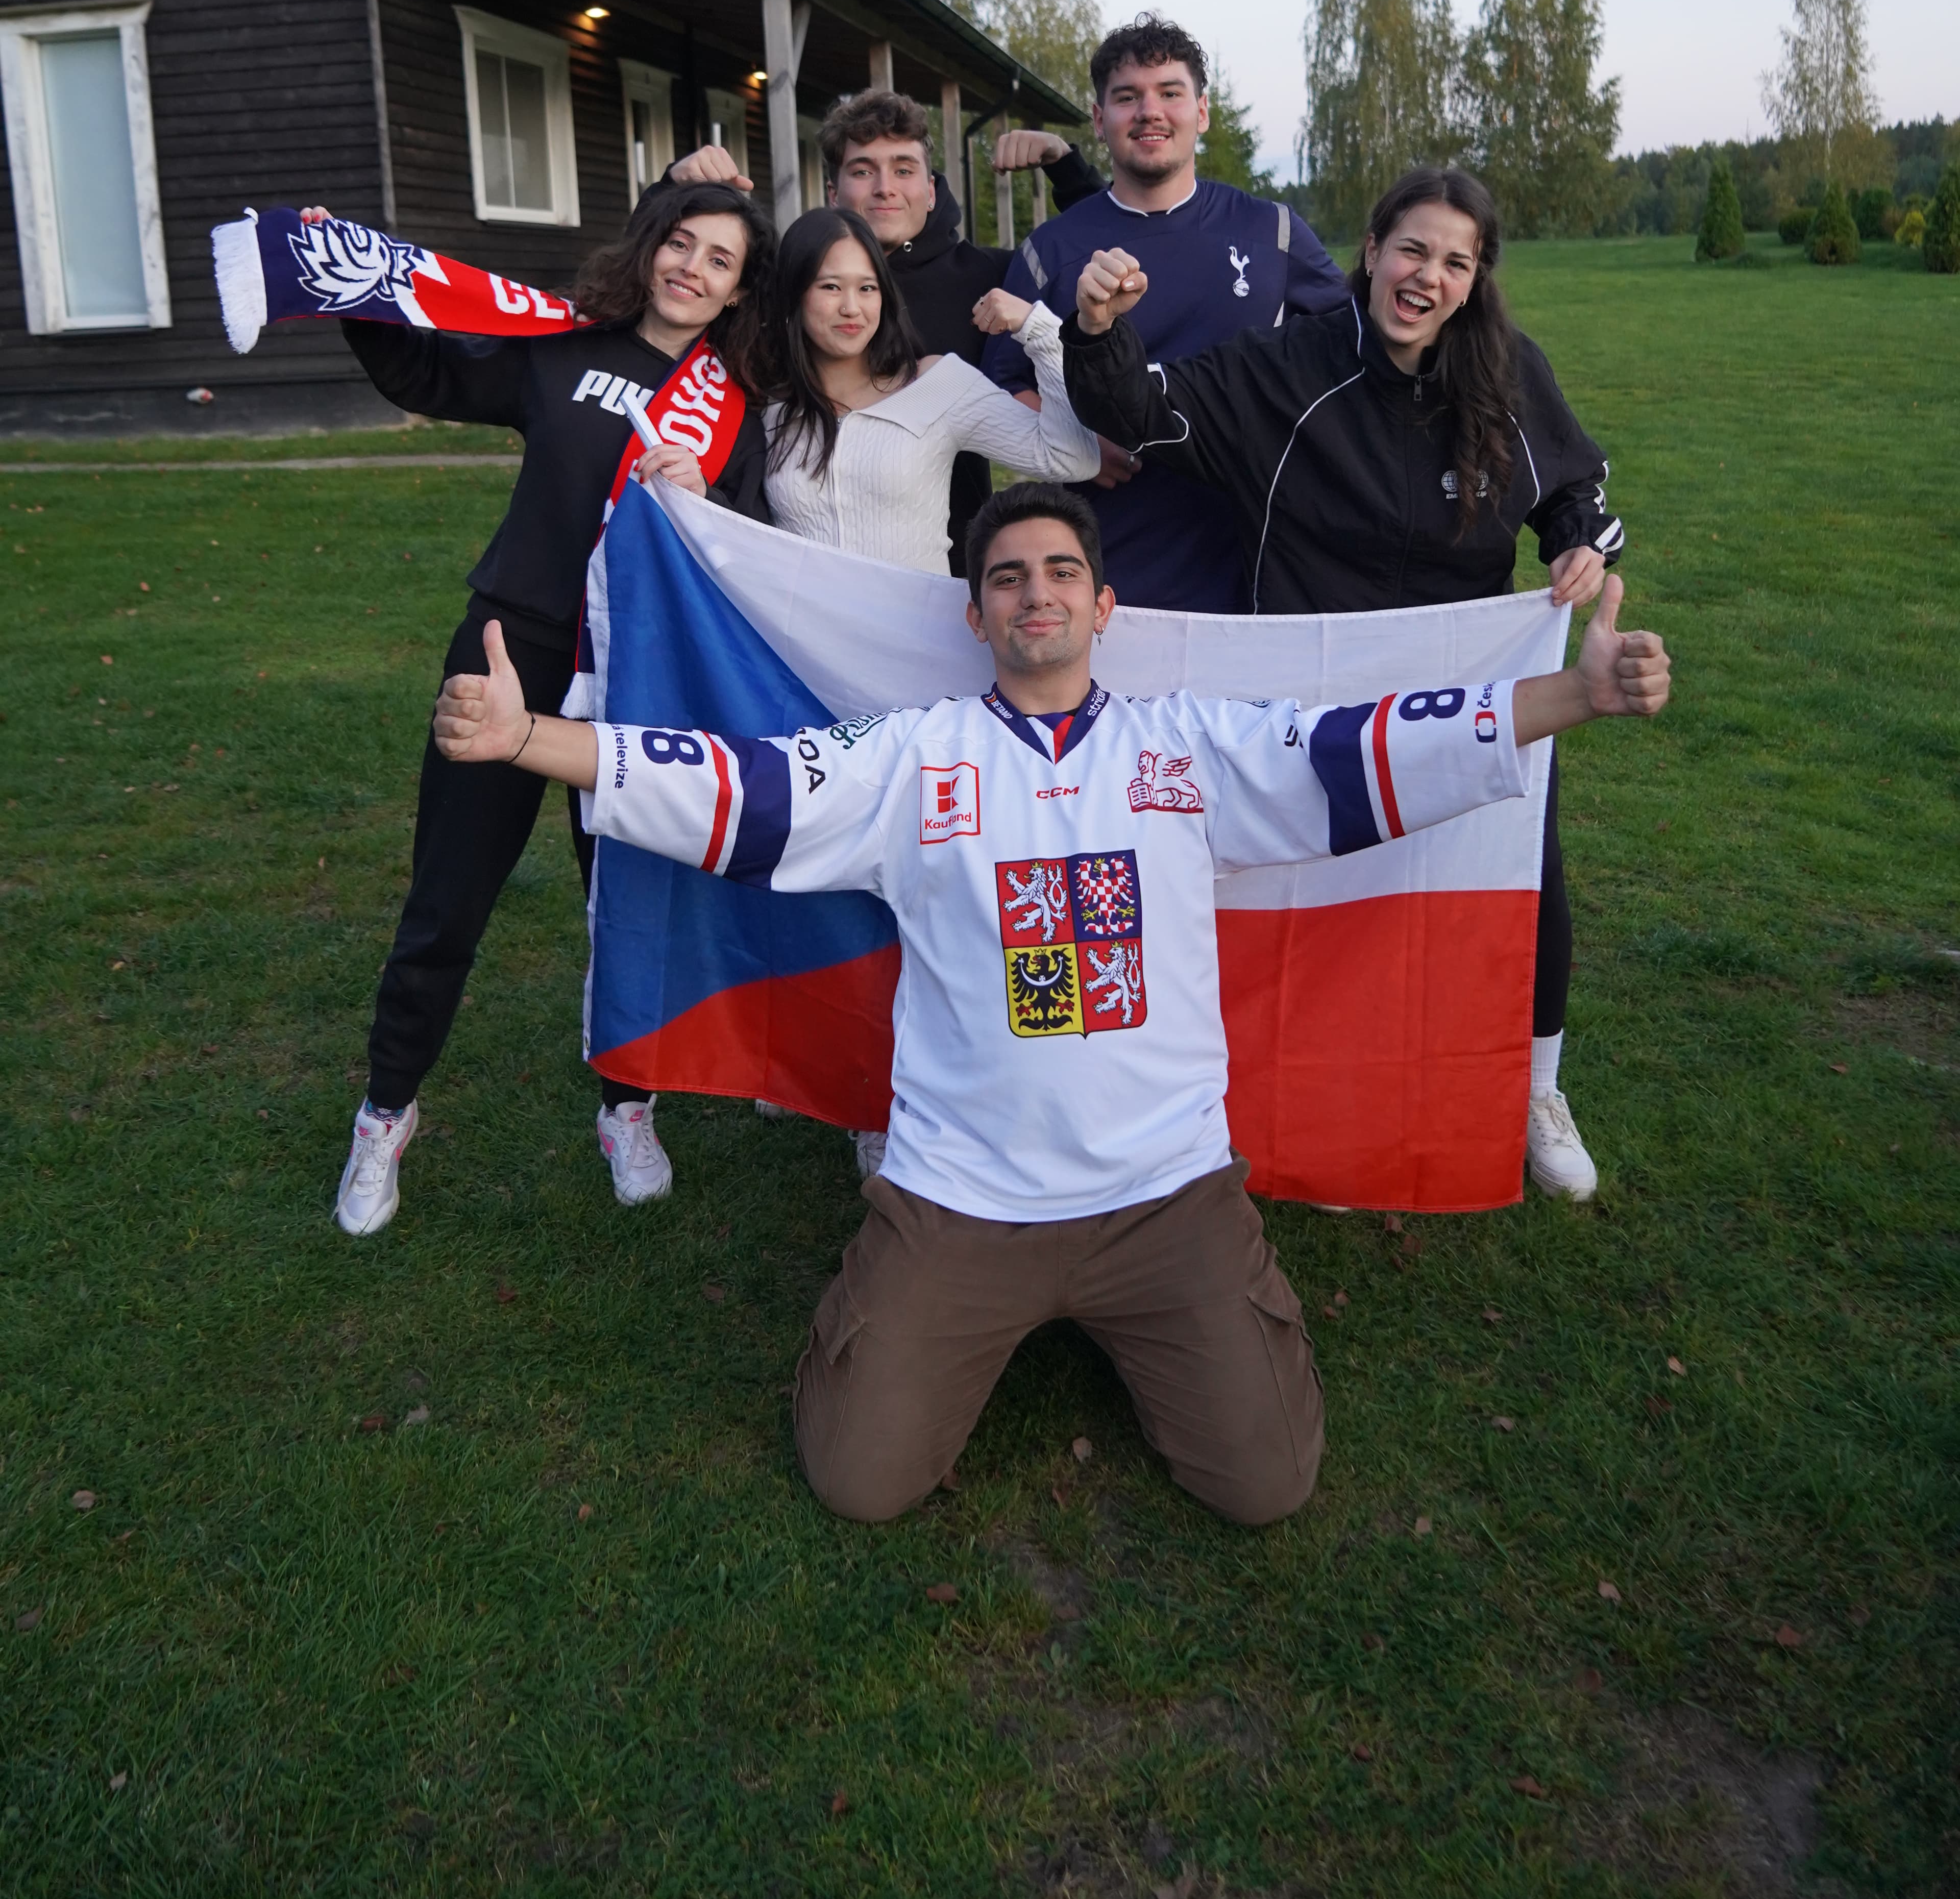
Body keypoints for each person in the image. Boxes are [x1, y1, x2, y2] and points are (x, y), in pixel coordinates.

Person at [430, 481, 1672, 1524]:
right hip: (961, 1195)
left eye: (1061, 570)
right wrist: (532, 735)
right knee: (858, 1480)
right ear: (974, 613)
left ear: (1102, 605)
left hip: (1163, 1192)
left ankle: (1185, 1306)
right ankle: (906, 1297)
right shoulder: (913, 756)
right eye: (1009, 575)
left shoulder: (1184, 748)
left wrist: (1576, 693)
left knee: (1265, 1484)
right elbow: (741, 786)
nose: (1036, 592)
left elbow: (1367, 750)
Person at [1060, 163, 1627, 1201]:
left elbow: (1575, 491)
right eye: (1412, 249)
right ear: (1372, 252)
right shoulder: (1286, 368)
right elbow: (1140, 412)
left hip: (1466, 691)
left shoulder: (1508, 371)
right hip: (1309, 705)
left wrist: (1580, 545)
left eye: (1456, 261)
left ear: (1476, 279)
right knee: (1292, 906)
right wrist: (1096, 329)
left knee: (1523, 875)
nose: (1428, 276)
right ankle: (1261, 1091)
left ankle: (1538, 1087)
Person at [316, 181, 775, 1237]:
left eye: (718, 260)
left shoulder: (735, 408)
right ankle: (386, 1112)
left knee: (622, 901)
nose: (691, 269)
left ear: (738, 290)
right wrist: (353, 289)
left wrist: (701, 501)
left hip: (634, 683)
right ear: (650, 247)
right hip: (507, 651)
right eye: (680, 244)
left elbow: (750, 552)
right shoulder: (565, 347)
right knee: (447, 899)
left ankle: (628, 1107)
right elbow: (424, 369)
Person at [676, 205, 1099, 1181]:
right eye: (829, 285)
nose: (852, 304)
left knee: (940, 890)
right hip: (802, 687)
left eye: (867, 285)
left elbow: (1072, 459)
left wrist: (1040, 333)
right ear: (794, 297)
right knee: (843, 893)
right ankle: (869, 1096)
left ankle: (967, 1091)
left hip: (920, 686)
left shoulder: (939, 385)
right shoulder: (764, 406)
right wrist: (684, 499)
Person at [980, 14, 1349, 610]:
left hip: (1254, 556)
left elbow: (1354, 352)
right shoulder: (1051, 250)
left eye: (1170, 93)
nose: (1150, 111)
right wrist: (1073, 440)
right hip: (1109, 562)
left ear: (1201, 112)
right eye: (1128, 98)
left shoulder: (1272, 231)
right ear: (1101, 121)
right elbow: (1000, 386)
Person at [669, 89, 1101, 570]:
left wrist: (1064, 166)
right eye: (862, 171)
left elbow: (1101, 256)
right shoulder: (780, 319)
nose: (884, 188)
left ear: (932, 189)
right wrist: (674, 189)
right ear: (834, 193)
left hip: (945, 574)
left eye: (903, 169)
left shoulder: (988, 278)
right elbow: (674, 288)